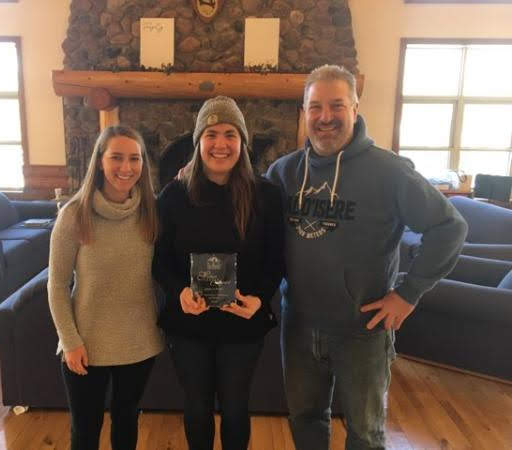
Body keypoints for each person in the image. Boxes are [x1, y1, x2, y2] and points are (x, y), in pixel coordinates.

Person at [266, 65, 468, 450]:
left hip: (364, 330)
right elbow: (246, 210)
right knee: (305, 421)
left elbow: (450, 227)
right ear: (304, 112)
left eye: (337, 105)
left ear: (355, 109)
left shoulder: (390, 171)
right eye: (316, 107)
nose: (326, 117)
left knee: (365, 433)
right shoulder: (284, 173)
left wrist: (409, 294)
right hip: (299, 325)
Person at [153, 96, 285, 450]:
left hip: (243, 321)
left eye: (230, 133)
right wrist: (178, 290)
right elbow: (158, 258)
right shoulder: (173, 195)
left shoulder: (267, 196)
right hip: (188, 322)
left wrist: (260, 298)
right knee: (196, 407)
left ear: (242, 141)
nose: (221, 144)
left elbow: (277, 258)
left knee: (235, 407)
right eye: (211, 134)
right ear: (198, 142)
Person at [48, 125, 164, 450]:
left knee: (126, 420)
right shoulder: (73, 215)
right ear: (100, 160)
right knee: (85, 430)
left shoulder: (151, 212)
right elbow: (56, 285)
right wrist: (69, 341)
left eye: (134, 158)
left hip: (139, 341)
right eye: (116, 157)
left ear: (143, 164)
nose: (126, 168)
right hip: (85, 344)